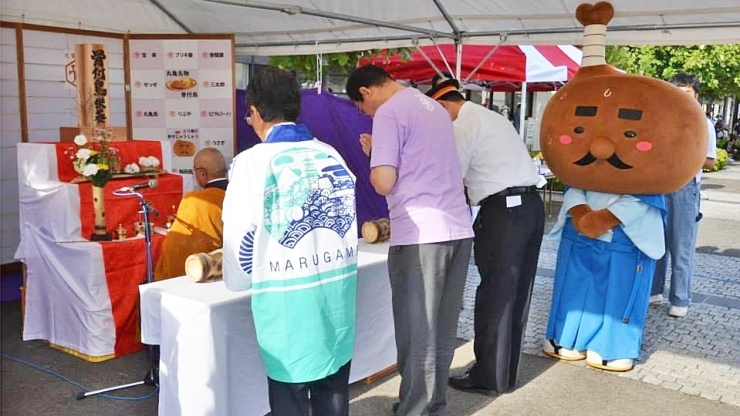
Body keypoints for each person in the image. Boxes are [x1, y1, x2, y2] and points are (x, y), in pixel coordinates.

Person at [222, 67, 358, 416]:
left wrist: (239, 279)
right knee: (333, 390)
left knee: (291, 400)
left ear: (255, 112)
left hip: (288, 304)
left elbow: (240, 245)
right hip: (335, 295)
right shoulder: (331, 154)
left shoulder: (251, 162)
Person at [345, 65, 474, 416]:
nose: (366, 114)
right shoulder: (431, 107)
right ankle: (433, 406)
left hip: (420, 233)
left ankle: (414, 409)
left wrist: (374, 161)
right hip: (458, 229)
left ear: (367, 93)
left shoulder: (388, 112)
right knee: (442, 328)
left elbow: (385, 181)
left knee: (417, 328)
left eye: (362, 108)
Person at [424, 78, 546, 396]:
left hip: (503, 212)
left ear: (442, 105)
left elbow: (452, 176)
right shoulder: (489, 116)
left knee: (495, 293)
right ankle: (504, 373)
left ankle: (488, 377)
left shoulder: (461, 124)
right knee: (517, 292)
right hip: (529, 207)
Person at [650, 74, 717, 317]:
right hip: (660, 184)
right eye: (676, 91)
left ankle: (680, 299)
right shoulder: (663, 120)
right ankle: (654, 291)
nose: (681, 96)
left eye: (686, 92)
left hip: (685, 187)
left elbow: (710, 161)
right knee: (656, 241)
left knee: (681, 244)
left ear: (695, 94)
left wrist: (682, 157)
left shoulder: (703, 123)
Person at [153, 147, 228, 281]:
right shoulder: (239, 193)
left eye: (195, 171)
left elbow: (178, 246)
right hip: (229, 267)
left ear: (203, 174)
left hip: (203, 270)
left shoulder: (195, 200)